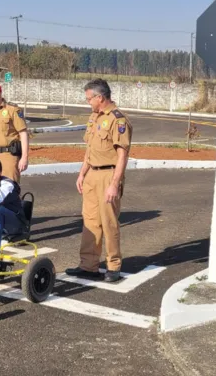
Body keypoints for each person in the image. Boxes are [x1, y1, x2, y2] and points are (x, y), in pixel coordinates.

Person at [66, 79, 133, 282]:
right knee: (91, 221)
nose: (88, 103)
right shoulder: (94, 117)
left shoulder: (118, 120)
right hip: (92, 175)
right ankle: (88, 265)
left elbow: (122, 155)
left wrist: (114, 183)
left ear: (100, 97)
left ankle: (113, 265)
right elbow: (91, 148)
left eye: (89, 99)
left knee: (109, 222)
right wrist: (82, 172)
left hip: (108, 175)